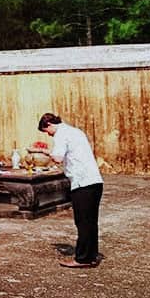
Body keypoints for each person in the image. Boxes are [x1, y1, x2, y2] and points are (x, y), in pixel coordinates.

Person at [30, 113, 104, 268]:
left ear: (49, 124)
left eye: (46, 131)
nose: (48, 135)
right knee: (91, 221)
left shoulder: (61, 134)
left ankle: (82, 259)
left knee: (82, 221)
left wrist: (43, 152)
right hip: (94, 181)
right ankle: (91, 255)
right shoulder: (75, 131)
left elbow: (57, 158)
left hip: (82, 182)